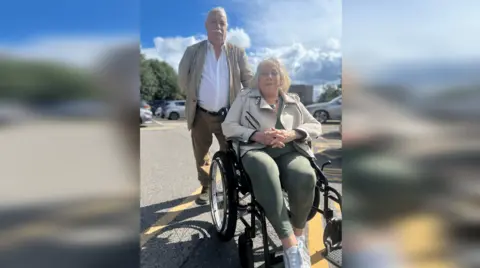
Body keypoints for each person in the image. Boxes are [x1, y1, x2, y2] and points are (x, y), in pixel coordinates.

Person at [221, 57, 322, 268]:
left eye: (274, 72)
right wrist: (256, 135)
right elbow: (228, 126)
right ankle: (290, 247)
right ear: (257, 79)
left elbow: (315, 126)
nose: (269, 77)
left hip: (289, 150)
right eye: (264, 73)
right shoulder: (245, 97)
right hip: (255, 149)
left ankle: (298, 235)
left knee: (305, 175)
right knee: (265, 169)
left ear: (282, 78)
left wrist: (292, 133)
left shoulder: (293, 100)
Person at [178, 7, 253, 205]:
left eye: (222, 23)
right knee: (201, 153)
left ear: (227, 26)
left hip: (228, 115)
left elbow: (248, 79)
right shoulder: (193, 51)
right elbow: (182, 79)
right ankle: (207, 186)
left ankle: (232, 189)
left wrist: (266, 95)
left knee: (233, 153)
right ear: (206, 26)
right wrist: (195, 95)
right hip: (200, 113)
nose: (218, 27)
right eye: (214, 22)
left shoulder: (237, 53)